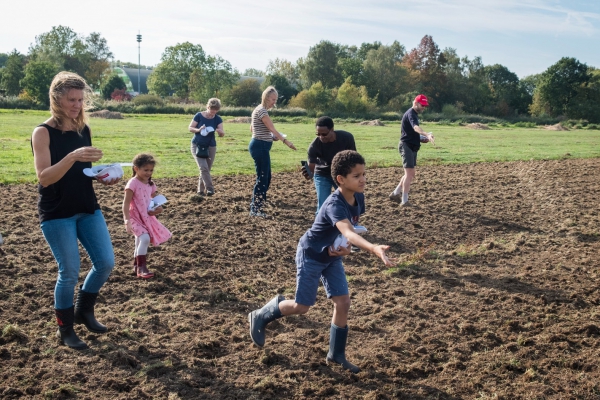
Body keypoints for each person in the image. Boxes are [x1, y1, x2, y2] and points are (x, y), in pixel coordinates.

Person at [248, 150, 396, 373]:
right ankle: (261, 314)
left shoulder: (358, 197)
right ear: (340, 179)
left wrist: (344, 248)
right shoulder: (333, 204)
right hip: (311, 254)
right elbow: (347, 230)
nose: (363, 179)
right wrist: (373, 248)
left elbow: (348, 230)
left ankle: (336, 356)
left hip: (331, 255)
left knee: (343, 302)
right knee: (302, 307)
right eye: (357, 176)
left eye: (364, 173)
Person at [31, 71, 119, 350]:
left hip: (86, 206)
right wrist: (72, 156)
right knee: (69, 271)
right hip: (57, 212)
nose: (77, 105)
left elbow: (84, 172)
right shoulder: (42, 133)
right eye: (71, 99)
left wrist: (103, 176)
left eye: (81, 100)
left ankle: (83, 310)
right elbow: (45, 177)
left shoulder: (83, 129)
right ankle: (65, 329)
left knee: (105, 263)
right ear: (56, 99)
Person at [249, 86, 297, 217]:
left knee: (266, 177)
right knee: (263, 177)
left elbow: (252, 129)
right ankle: (256, 208)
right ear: (266, 98)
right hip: (260, 147)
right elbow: (273, 129)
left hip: (260, 145)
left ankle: (259, 202)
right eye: (273, 99)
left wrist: (269, 137)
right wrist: (286, 142)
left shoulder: (258, 109)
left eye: (276, 99)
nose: (274, 102)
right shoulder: (262, 111)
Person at [122, 153, 172, 279]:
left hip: (146, 216)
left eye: (151, 170)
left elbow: (156, 200)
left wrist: (158, 208)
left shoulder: (150, 184)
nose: (149, 173)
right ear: (136, 169)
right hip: (134, 217)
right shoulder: (132, 183)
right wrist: (126, 220)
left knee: (139, 241)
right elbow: (126, 203)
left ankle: (136, 265)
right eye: (146, 170)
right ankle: (142, 268)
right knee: (145, 238)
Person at [302, 116, 356, 213]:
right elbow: (311, 170)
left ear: (332, 130)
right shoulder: (314, 146)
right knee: (323, 205)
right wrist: (308, 174)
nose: (321, 137)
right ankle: (320, 227)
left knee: (346, 202)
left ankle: (348, 226)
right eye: (318, 134)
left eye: (324, 134)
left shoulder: (347, 138)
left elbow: (353, 158)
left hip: (340, 175)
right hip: (322, 174)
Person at [389, 94, 435, 206]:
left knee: (410, 174)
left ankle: (395, 193)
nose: (424, 107)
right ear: (415, 103)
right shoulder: (411, 114)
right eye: (422, 105)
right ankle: (404, 201)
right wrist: (426, 134)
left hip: (411, 145)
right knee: (409, 174)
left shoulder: (414, 114)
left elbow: (411, 133)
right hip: (406, 146)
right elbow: (415, 128)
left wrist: (421, 138)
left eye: (425, 105)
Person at [188, 98, 225, 199]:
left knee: (206, 169)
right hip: (197, 145)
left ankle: (200, 192)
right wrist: (198, 130)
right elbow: (190, 128)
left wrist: (220, 132)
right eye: (212, 109)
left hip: (210, 146)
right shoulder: (199, 115)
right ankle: (210, 189)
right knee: (203, 167)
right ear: (207, 107)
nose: (213, 112)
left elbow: (222, 133)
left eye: (216, 110)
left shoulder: (217, 119)